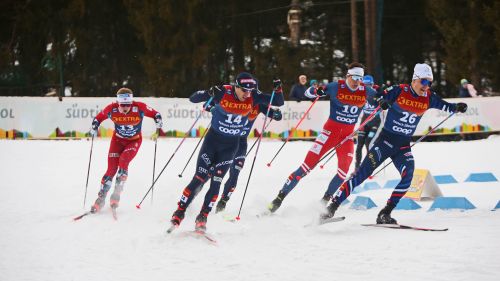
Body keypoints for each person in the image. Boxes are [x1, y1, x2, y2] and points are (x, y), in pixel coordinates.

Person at [321, 63, 468, 224]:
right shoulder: (400, 90)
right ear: (415, 80)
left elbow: (446, 106)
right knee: (360, 176)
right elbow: (375, 96)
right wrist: (382, 102)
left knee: (408, 177)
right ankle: (331, 208)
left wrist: (457, 107)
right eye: (424, 82)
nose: (427, 86)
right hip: (384, 142)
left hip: (403, 146)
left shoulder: (429, 97)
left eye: (430, 83)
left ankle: (385, 213)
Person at [169, 72, 284, 232]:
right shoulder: (223, 92)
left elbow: (278, 101)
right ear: (236, 86)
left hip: (233, 145)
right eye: (244, 90)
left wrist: (278, 89)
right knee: (200, 177)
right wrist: (208, 92)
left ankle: (204, 216)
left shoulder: (254, 97)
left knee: (217, 181)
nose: (247, 94)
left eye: (251, 91)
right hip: (212, 142)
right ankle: (179, 212)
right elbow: (193, 98)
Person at [267, 62, 377, 213]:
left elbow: (383, 99)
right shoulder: (335, 86)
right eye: (355, 78)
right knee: (306, 167)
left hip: (346, 137)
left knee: (343, 171)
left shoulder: (365, 90)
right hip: (329, 134)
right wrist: (315, 90)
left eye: (360, 78)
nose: (357, 82)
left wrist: (383, 101)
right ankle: (278, 199)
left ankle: (323, 203)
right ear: (348, 76)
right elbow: (308, 93)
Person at [89, 88, 163, 213]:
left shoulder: (139, 107)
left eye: (127, 104)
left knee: (123, 162)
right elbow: (98, 118)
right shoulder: (111, 109)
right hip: (117, 141)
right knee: (111, 169)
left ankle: (116, 195)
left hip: (133, 141)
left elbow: (156, 114)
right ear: (118, 103)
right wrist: (94, 127)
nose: (125, 108)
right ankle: (100, 199)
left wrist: (158, 122)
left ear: (131, 102)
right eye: (122, 105)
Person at [215, 104, 283, 213]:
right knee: (216, 173)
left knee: (235, 173)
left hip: (241, 143)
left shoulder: (258, 102)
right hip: (226, 140)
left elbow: (276, 117)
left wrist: (276, 114)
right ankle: (202, 201)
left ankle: (222, 203)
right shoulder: (235, 97)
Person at [354, 75, 382, 171]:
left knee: (368, 142)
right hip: (365, 121)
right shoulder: (360, 92)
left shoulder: (377, 93)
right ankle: (357, 167)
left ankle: (369, 166)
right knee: (359, 144)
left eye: (369, 85)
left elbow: (385, 104)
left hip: (375, 122)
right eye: (365, 85)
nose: (367, 87)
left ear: (372, 84)